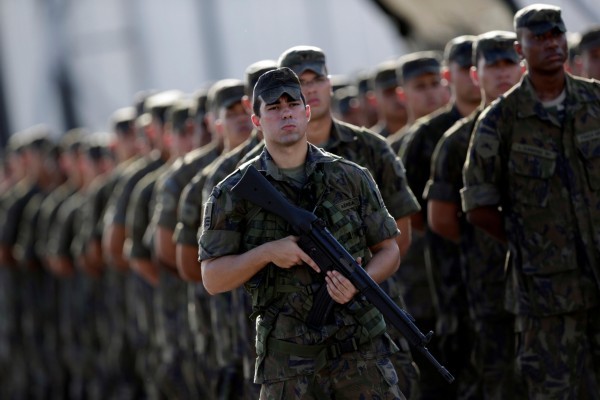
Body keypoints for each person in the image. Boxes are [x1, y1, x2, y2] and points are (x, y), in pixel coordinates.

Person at [200, 66, 405, 399]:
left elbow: (389, 249)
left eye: (292, 105)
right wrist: (268, 252)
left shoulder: (351, 176)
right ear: (257, 121)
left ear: (307, 111)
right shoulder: (233, 191)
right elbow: (212, 277)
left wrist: (358, 281)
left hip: (360, 356)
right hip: (288, 367)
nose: (286, 114)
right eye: (274, 108)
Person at [462, 4, 600, 398]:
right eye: (538, 38)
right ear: (521, 49)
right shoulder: (500, 120)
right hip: (546, 299)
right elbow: (479, 206)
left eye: (556, 34)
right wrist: (531, 241)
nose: (551, 44)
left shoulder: (595, 103)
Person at [276, 45, 421, 398]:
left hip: (370, 308)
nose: (311, 88)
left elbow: (399, 235)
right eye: (300, 82)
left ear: (329, 85)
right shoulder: (264, 165)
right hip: (298, 328)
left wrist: (357, 279)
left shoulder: (370, 149)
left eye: (318, 79)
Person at [425, 30, 524, 399]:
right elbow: (440, 221)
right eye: (492, 65)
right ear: (474, 73)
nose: (502, 74)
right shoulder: (455, 142)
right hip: (489, 292)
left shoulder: (546, 126)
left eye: (509, 63)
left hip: (558, 288)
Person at [369, 59, 408, 138]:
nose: (397, 97)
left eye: (400, 90)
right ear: (374, 99)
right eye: (389, 93)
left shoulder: (424, 134)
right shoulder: (371, 143)